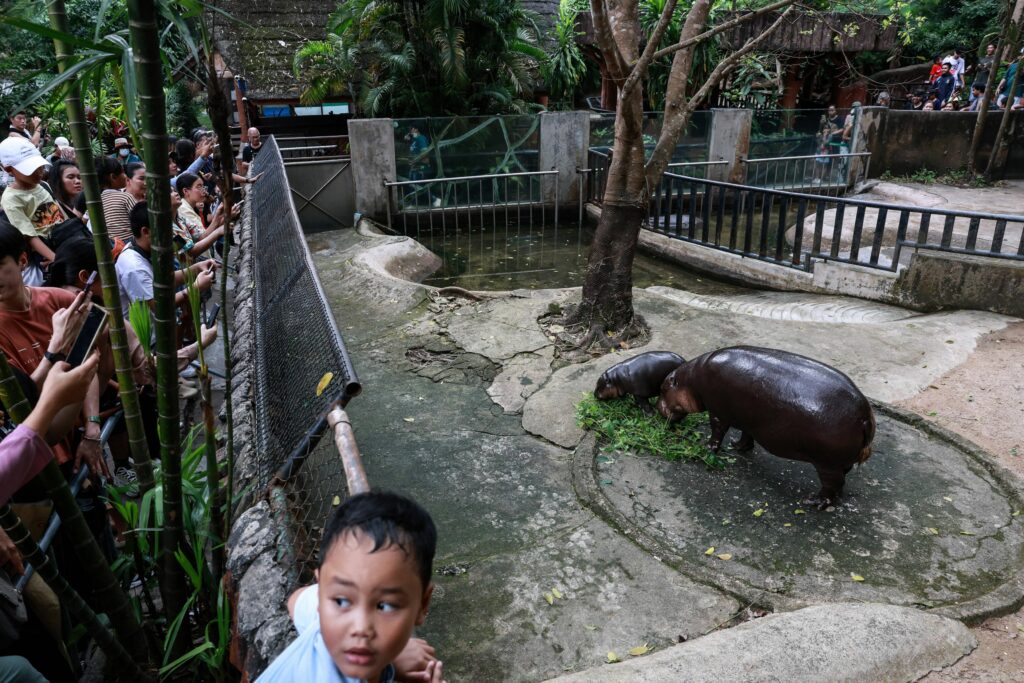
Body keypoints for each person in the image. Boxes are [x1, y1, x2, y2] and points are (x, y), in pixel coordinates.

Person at [255, 491, 444, 683]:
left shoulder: (330, 610)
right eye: (342, 601)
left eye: (385, 606)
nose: (360, 628)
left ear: (423, 603)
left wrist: (390, 663)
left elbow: (296, 600)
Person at [0, 220, 109, 478]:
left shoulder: (59, 301)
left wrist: (92, 429)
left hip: (79, 433)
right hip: (37, 457)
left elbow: (86, 366)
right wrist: (55, 349)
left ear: (23, 261)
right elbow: (24, 403)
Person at [118, 201, 217, 318]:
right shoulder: (134, 267)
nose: (171, 235)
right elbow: (159, 307)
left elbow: (163, 280)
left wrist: (196, 268)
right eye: (164, 229)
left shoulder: (140, 247)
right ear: (145, 231)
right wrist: (195, 287)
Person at [0, 136, 65, 277]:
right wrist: (57, 259)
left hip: (63, 238)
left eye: (39, 166)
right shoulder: (11, 198)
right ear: (9, 169)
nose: (39, 171)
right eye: (30, 169)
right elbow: (30, 236)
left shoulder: (42, 185)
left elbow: (59, 212)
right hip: (46, 250)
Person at [96, 156, 135, 243]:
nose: (126, 176)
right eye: (123, 172)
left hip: (110, 245)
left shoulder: (97, 202)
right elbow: (140, 219)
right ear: (113, 177)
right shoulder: (126, 197)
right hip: (129, 242)